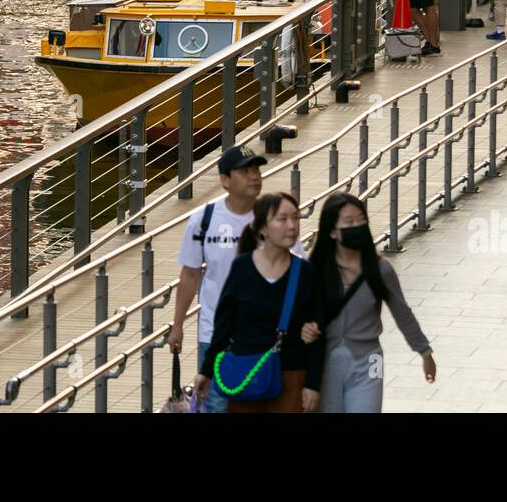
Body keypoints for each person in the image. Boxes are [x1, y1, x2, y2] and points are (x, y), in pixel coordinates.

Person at [170, 146, 296, 414]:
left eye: (257, 170)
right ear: (225, 180)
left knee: (263, 401)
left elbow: (298, 270)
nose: (254, 177)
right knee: (216, 403)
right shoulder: (203, 220)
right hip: (214, 333)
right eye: (245, 171)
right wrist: (177, 325)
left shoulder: (275, 218)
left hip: (267, 334)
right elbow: (190, 274)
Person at [301, 194, 434, 412]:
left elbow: (402, 313)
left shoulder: (380, 269)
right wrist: (303, 329)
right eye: (349, 221)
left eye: (361, 219)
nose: (357, 226)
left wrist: (425, 351)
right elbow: (298, 313)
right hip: (326, 364)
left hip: (368, 362)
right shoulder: (314, 269)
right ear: (332, 231)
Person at [194, 192, 323, 413]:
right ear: (262, 228)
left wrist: (312, 384)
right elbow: (224, 324)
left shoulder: (305, 272)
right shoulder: (242, 268)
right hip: (245, 372)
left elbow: (318, 331)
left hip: (290, 375)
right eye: (282, 219)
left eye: (295, 218)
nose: (292, 226)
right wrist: (206, 371)